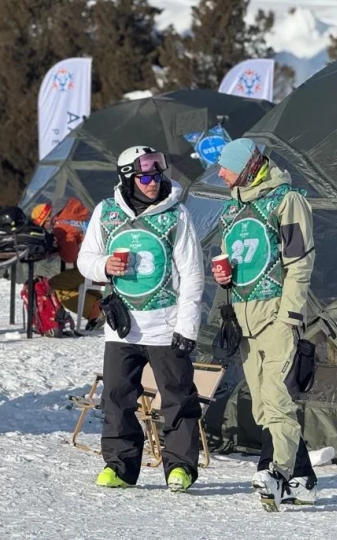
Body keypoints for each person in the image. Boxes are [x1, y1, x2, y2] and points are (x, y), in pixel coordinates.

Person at [77, 146, 205, 492]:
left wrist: (187, 326)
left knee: (177, 397)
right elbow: (85, 260)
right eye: (144, 177)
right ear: (127, 179)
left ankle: (180, 468)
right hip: (122, 326)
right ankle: (120, 467)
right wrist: (104, 265)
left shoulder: (176, 214)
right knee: (116, 397)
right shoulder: (106, 212)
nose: (152, 182)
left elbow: (193, 274)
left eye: (157, 175)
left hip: (166, 324)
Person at [212, 138, 317, 511]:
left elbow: (300, 261)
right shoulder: (232, 210)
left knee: (276, 400)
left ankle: (275, 473)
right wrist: (224, 278)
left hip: (277, 317)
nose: (220, 173)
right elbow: (236, 259)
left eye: (226, 167)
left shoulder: (287, 201)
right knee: (262, 407)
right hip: (244, 321)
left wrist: (290, 315)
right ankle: (303, 482)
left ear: (247, 167)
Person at [29, 198, 103, 330]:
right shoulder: (73, 214)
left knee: (53, 287)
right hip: (102, 263)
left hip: (92, 268)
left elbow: (70, 256)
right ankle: (100, 304)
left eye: (42, 226)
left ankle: (95, 311)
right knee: (69, 282)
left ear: (47, 220)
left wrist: (58, 244)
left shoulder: (60, 226)